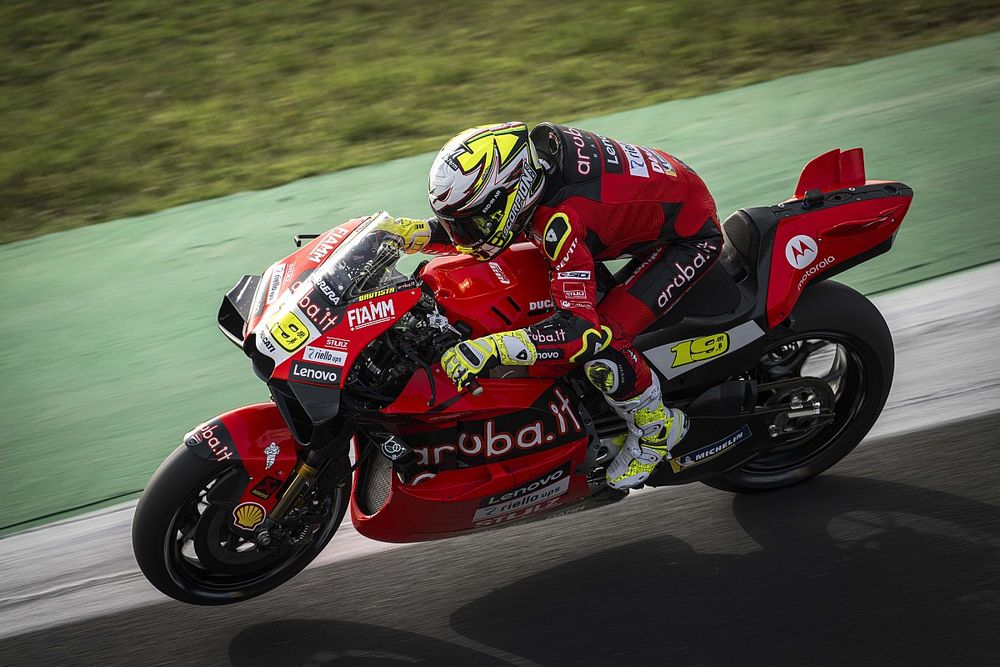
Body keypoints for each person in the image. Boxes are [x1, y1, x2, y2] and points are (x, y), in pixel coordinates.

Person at [385, 122, 722, 489]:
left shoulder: (561, 220)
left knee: (602, 342)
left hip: (688, 235)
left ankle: (657, 428)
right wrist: (416, 233)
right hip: (657, 191)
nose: (462, 234)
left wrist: (492, 347)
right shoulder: (528, 165)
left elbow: (580, 330)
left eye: (470, 222)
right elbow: (489, 230)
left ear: (513, 194)